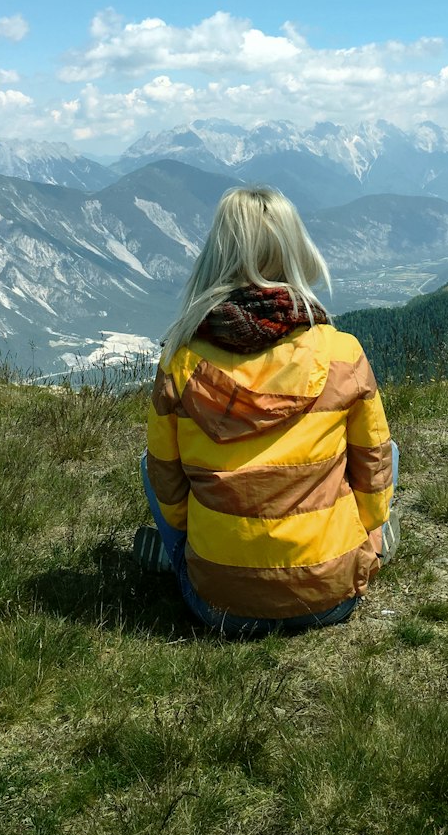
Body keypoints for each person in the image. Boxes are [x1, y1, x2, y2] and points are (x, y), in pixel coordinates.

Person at [135, 185, 399, 636]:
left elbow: (169, 486)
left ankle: (178, 558)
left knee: (151, 465)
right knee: (385, 451)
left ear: (216, 257)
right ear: (296, 250)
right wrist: (371, 531)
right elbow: (371, 467)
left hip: (217, 604)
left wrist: (188, 543)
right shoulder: (341, 353)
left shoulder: (179, 363)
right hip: (330, 594)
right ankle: (372, 546)